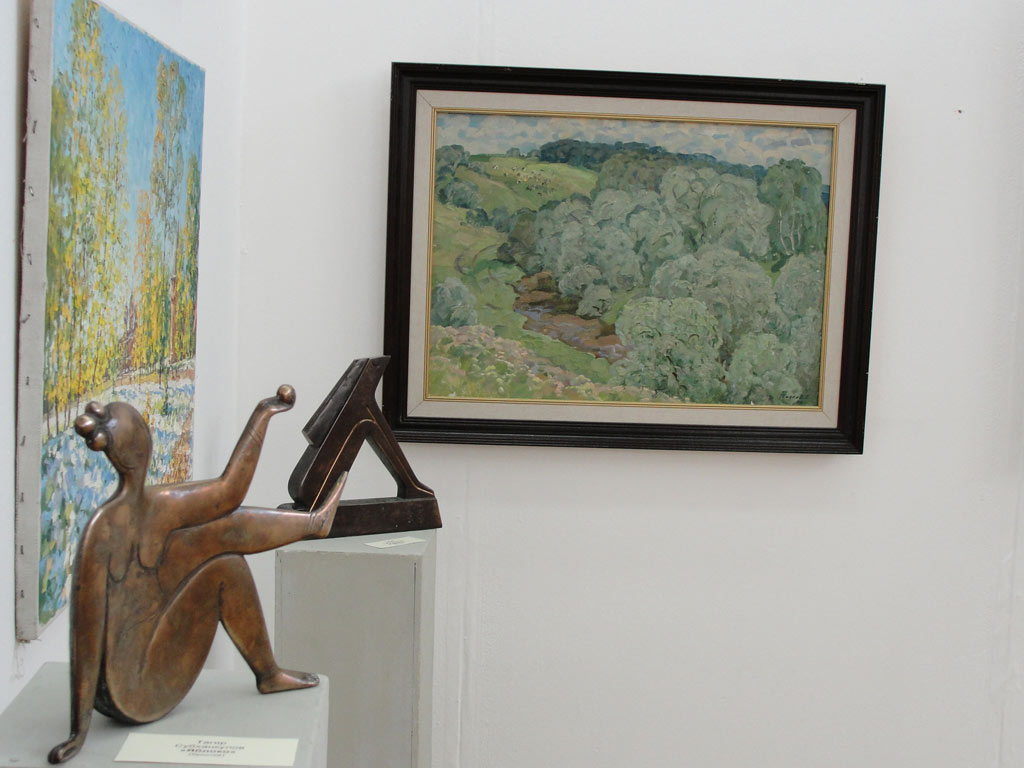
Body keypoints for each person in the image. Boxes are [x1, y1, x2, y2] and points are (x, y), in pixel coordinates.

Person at [48, 386, 346, 764]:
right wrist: (77, 734)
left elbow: (228, 493)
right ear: (143, 449)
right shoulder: (109, 530)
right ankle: (310, 530)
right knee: (225, 561)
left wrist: (264, 413)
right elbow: (86, 635)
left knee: (217, 532)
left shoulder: (143, 511)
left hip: (136, 679)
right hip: (135, 692)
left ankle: (311, 527)